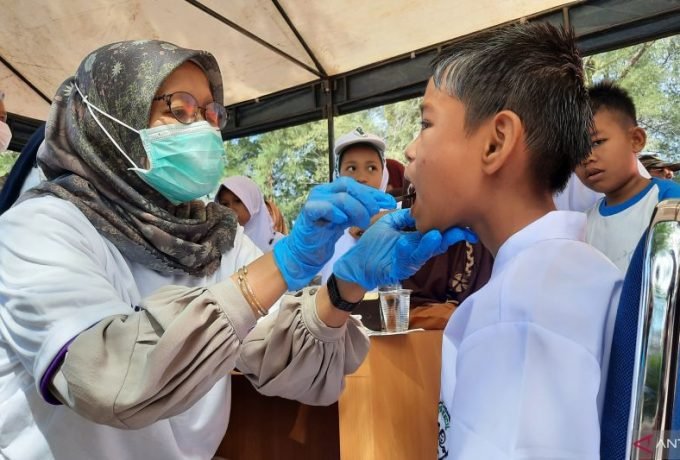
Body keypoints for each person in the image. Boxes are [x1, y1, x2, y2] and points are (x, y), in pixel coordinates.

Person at [0, 40, 466, 460]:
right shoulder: (40, 228)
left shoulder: (210, 237)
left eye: (210, 114)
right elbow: (111, 379)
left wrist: (344, 287)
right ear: (107, 119)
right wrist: (281, 263)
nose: (204, 130)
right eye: (179, 109)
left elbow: (291, 364)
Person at [327, 23, 623, 458]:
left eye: (426, 123)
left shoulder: (514, 312)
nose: (409, 151)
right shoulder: (569, 270)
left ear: (495, 143)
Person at [575, 81, 680, 273]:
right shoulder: (584, 225)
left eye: (597, 142)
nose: (586, 158)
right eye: (575, 151)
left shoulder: (669, 203)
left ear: (636, 140)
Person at [317, 127, 389, 284]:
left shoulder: (397, 219)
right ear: (338, 175)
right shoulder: (325, 226)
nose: (361, 177)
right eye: (351, 168)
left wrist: (385, 221)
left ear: (383, 175)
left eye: (372, 168)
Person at [215, 175, 284, 253]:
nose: (231, 209)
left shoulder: (280, 245)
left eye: (238, 201)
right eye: (225, 204)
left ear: (253, 202)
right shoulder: (218, 246)